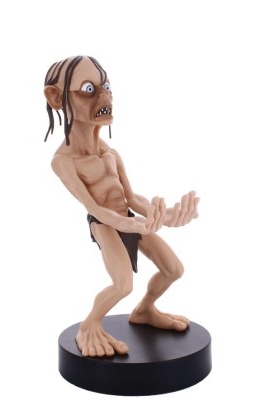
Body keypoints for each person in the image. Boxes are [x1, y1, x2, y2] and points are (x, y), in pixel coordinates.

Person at [44, 56, 200, 357]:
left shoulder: (111, 153)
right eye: (88, 89)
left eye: (106, 87)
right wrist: (127, 224)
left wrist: (167, 216)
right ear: (56, 98)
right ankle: (89, 324)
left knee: (174, 269)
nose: (105, 97)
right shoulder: (63, 161)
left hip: (128, 218)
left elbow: (132, 198)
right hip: (104, 224)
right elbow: (92, 207)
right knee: (122, 285)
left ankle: (144, 310)